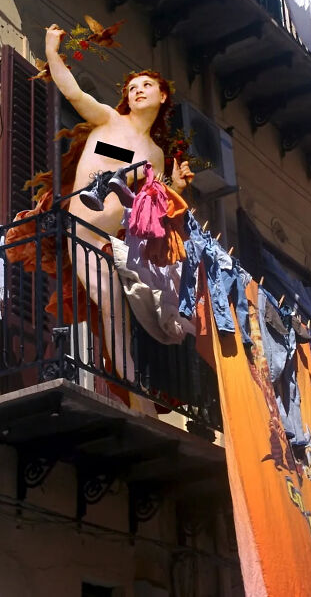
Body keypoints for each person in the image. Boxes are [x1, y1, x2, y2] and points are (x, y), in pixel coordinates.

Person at [44, 24, 193, 407]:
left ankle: (136, 393)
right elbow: (72, 91)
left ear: (162, 95)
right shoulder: (110, 120)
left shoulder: (156, 154)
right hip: (83, 227)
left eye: (146, 85)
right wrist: (51, 49)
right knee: (109, 302)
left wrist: (175, 187)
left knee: (125, 311)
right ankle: (128, 390)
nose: (137, 90)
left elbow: (153, 206)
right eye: (132, 88)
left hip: (115, 241)